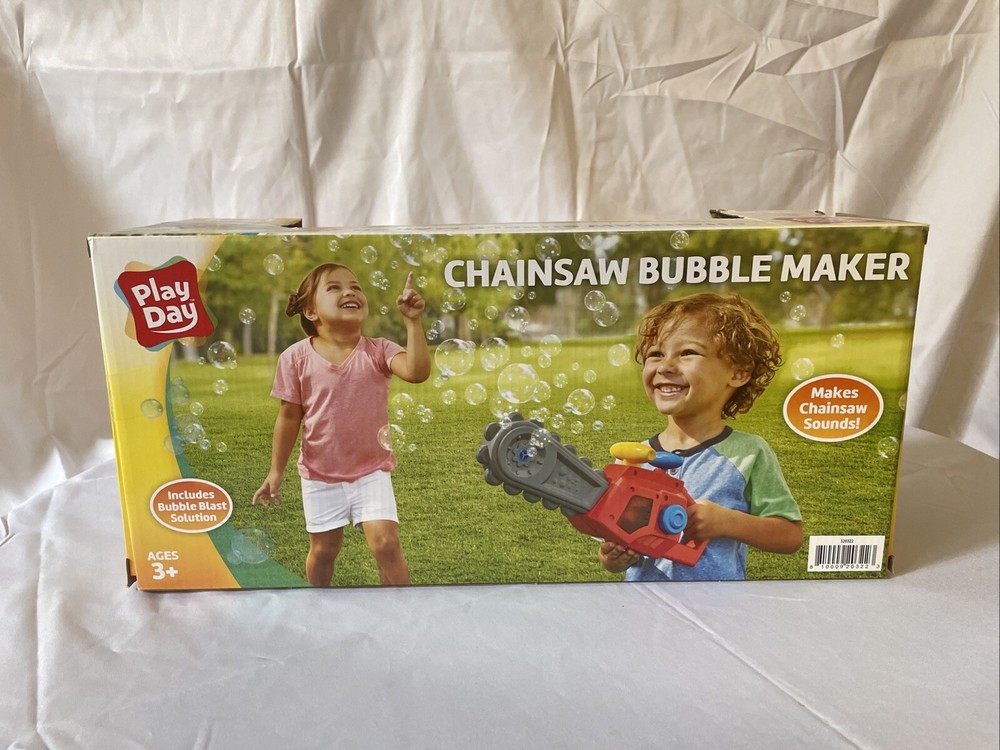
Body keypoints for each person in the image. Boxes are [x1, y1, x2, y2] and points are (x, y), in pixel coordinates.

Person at [598, 292, 802, 581]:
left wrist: (727, 522)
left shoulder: (748, 453)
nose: (665, 366)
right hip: (643, 605)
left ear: (739, 372)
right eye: (656, 354)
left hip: (717, 605)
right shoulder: (634, 459)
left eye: (687, 353)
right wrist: (613, 557)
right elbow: (613, 550)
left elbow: (790, 535)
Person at [253, 263, 430, 586]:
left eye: (355, 287)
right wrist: (275, 472)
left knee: (386, 544)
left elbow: (417, 372)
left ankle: (402, 606)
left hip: (371, 470)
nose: (349, 291)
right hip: (320, 473)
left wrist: (412, 321)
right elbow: (289, 417)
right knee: (324, 551)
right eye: (334, 287)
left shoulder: (379, 350)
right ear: (311, 311)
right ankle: (318, 603)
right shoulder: (295, 358)